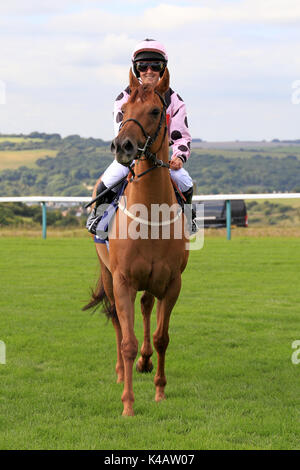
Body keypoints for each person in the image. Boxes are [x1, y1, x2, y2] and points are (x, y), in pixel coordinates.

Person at [87, 38, 195, 239]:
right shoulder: (124, 97)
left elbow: (181, 136)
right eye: (143, 66)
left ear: (163, 69)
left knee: (185, 182)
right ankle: (98, 216)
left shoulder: (175, 100)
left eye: (156, 65)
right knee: (107, 181)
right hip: (131, 156)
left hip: (162, 160)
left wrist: (179, 157)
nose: (149, 70)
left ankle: (189, 219)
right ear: (136, 69)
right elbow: (122, 131)